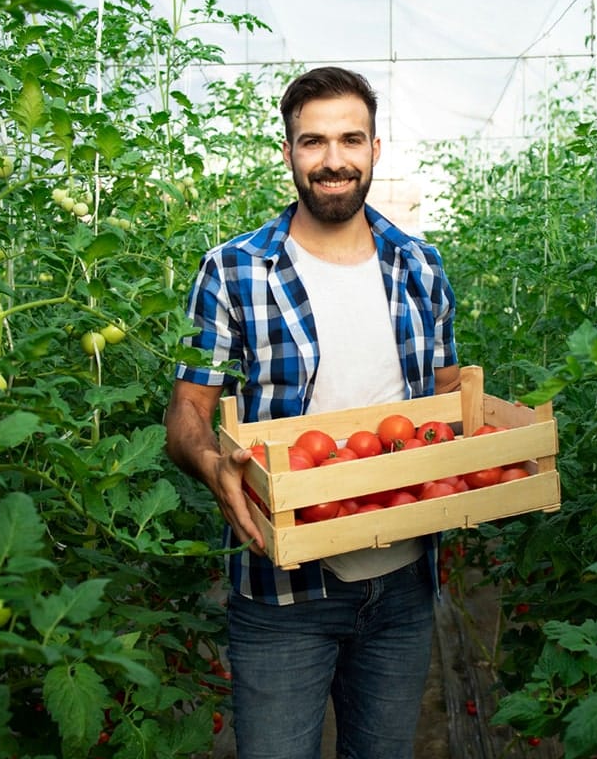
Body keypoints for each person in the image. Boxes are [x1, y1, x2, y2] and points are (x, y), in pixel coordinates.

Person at [164, 66, 460, 759]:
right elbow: (186, 410)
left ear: (375, 150)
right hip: (281, 588)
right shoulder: (233, 269)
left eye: (350, 140)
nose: (333, 160)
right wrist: (210, 462)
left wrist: (481, 461)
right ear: (289, 152)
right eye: (313, 142)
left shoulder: (420, 265)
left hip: (404, 582)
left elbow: (447, 399)